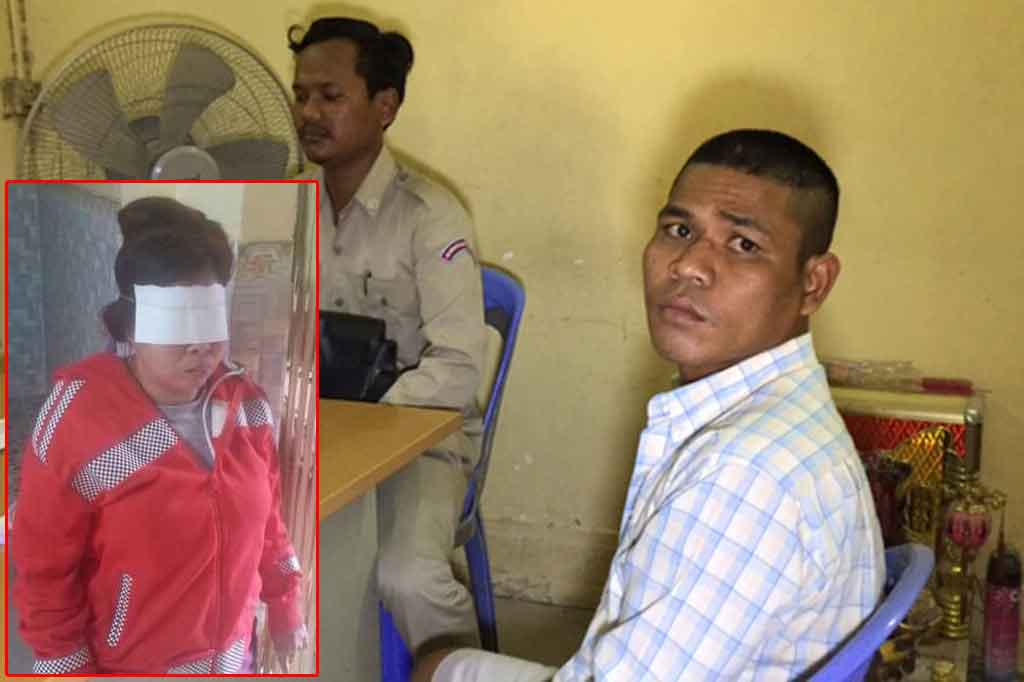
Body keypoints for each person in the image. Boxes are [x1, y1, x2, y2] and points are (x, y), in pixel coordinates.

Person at [414, 129, 885, 681]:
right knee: (444, 665)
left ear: (813, 283)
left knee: (437, 669)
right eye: (679, 230)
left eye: (743, 245)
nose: (688, 266)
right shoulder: (777, 415)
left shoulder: (743, 477)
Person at [11, 197, 308, 674]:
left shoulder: (246, 404)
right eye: (178, 324)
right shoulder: (77, 419)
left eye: (209, 321)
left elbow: (269, 519)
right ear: (131, 324)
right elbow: (44, 572)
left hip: (235, 662)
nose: (201, 347)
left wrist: (285, 602)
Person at [290, 17, 486, 655]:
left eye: (330, 96)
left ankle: (456, 667)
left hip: (417, 436)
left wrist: (364, 426)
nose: (309, 113)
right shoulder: (284, 207)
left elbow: (458, 367)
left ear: (385, 107)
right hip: (306, 434)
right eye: (301, 95)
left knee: (408, 577)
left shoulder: (431, 217)